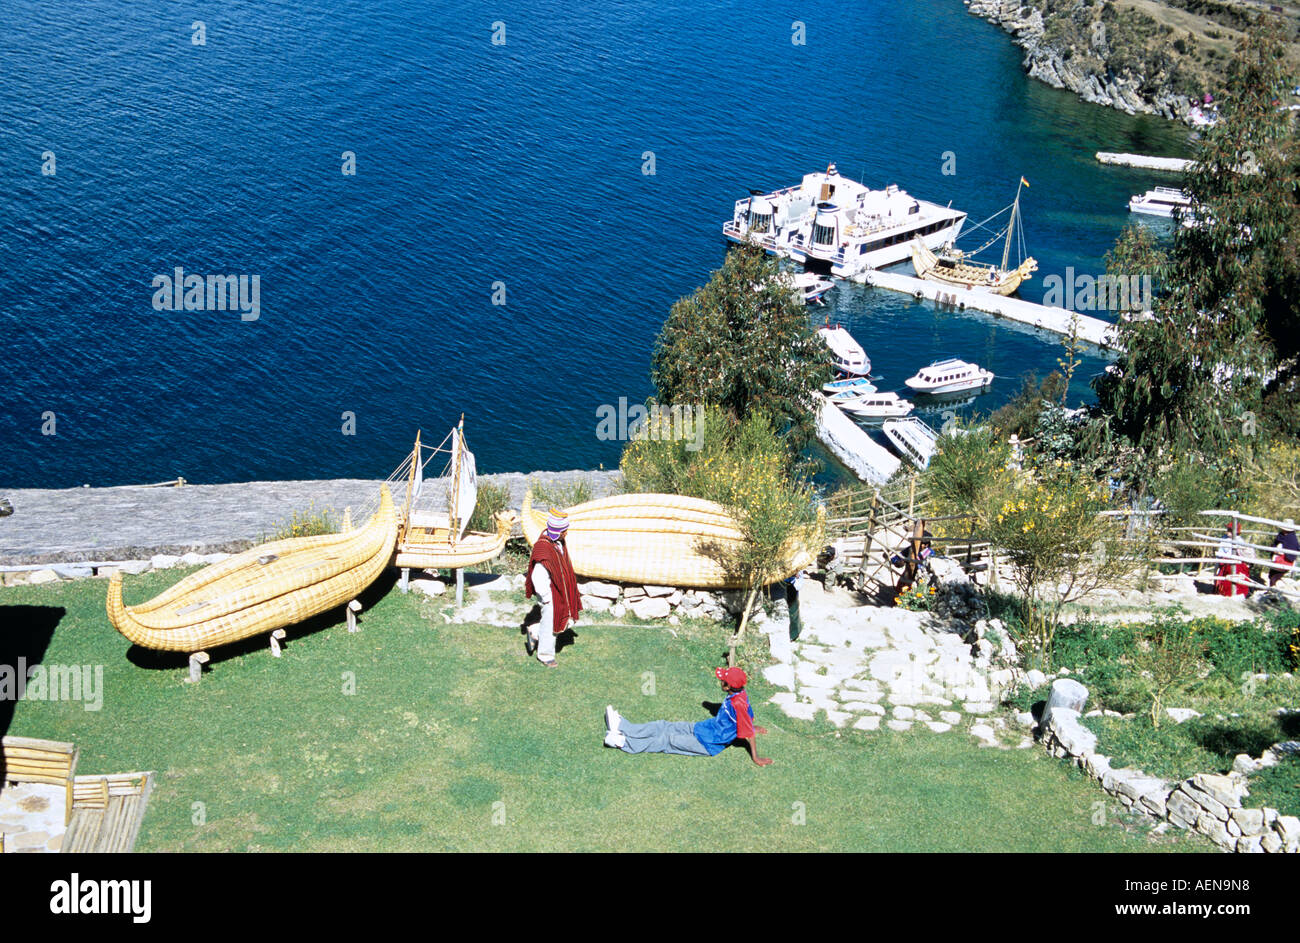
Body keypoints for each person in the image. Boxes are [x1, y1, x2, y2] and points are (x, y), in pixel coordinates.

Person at [603, 667, 772, 766]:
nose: (720, 681)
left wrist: (756, 757)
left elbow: (747, 731)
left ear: (728, 686)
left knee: (667, 740)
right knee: (664, 725)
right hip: (703, 728)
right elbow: (748, 718)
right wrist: (752, 725)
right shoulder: (739, 694)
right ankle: (623, 726)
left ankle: (623, 743)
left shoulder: (738, 704)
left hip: (707, 744)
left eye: (723, 681)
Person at [523, 508, 582, 667]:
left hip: (558, 590)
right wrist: (548, 598)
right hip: (549, 593)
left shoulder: (558, 542)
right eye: (564, 531)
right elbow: (537, 577)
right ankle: (545, 655)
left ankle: (534, 631)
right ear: (558, 530)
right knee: (552, 622)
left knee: (563, 618)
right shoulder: (543, 548)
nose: (566, 534)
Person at [1214, 520, 1252, 597]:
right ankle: (1219, 591)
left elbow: (1242, 554)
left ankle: (1230, 593)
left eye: (1230, 530)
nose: (1227, 531)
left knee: (1231, 578)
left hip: (1232, 563)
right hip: (1223, 561)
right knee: (1219, 576)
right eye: (1228, 529)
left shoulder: (1239, 541)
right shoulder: (1224, 538)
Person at [1269, 518, 1299, 587]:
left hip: (1285, 562)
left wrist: (1280, 551)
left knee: (1278, 578)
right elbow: (1275, 544)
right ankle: (1271, 590)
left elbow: (1292, 553)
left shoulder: (1291, 539)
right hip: (1277, 560)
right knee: (1272, 575)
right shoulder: (1281, 535)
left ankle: (1275, 589)